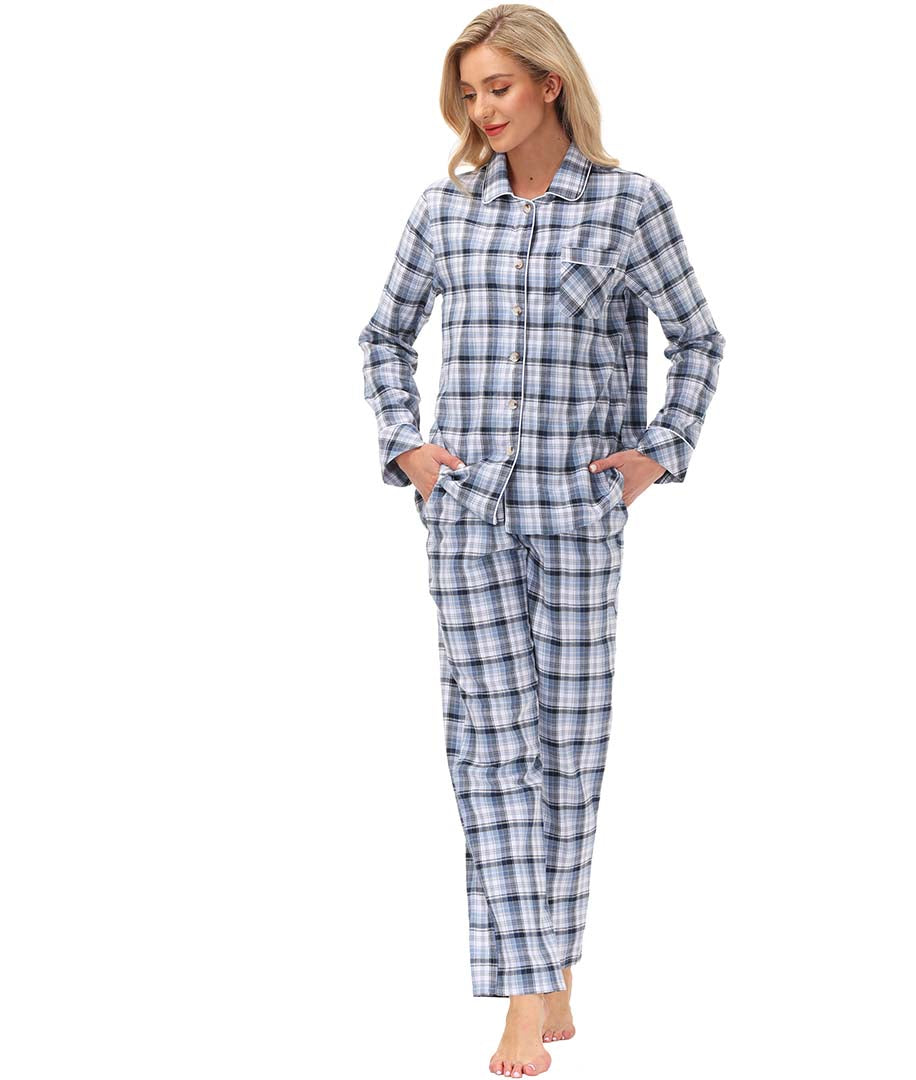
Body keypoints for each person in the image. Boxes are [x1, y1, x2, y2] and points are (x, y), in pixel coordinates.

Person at [357, 6, 725, 1075]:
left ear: (549, 85)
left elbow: (699, 339)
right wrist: (409, 450)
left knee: (566, 746)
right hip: (466, 512)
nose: (481, 109)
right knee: (490, 744)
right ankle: (530, 991)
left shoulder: (627, 204)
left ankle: (552, 960)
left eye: (498, 88)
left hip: (577, 513)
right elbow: (384, 336)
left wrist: (656, 455)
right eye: (470, 93)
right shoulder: (444, 209)